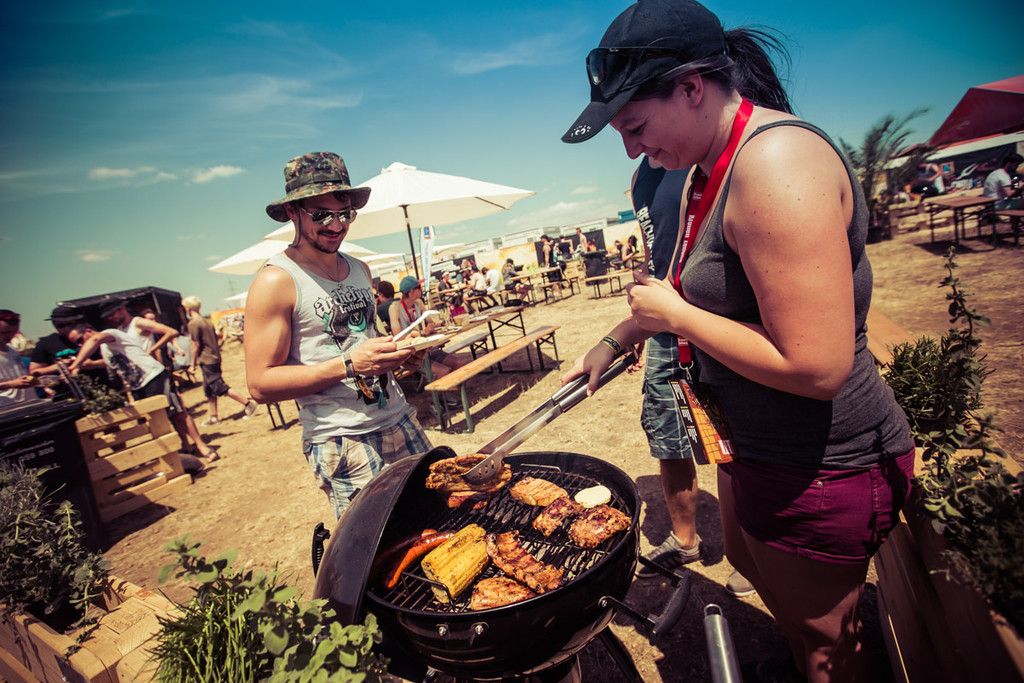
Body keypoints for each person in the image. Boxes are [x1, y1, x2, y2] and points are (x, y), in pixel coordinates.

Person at [561, 2, 914, 681]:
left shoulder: (778, 162)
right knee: (773, 589)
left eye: (634, 126)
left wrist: (677, 317)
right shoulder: (707, 165)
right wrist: (617, 337)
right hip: (753, 448)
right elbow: (692, 290)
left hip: (820, 465)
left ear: (692, 88)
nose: (630, 150)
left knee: (827, 646)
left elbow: (818, 366)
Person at [245, 151, 431, 518]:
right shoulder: (276, 280)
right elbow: (260, 384)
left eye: (345, 214)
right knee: (375, 543)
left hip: (399, 417)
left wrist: (401, 357)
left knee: (435, 514)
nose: (336, 225)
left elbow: (364, 346)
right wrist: (348, 365)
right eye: (321, 214)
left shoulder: (360, 269)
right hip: (344, 440)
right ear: (292, 211)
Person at [67, 318, 219, 461]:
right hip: (138, 386)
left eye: (80, 340)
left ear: (88, 330)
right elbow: (114, 362)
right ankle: (185, 447)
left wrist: (76, 364)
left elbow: (94, 340)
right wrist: (90, 364)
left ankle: (201, 446)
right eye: (76, 344)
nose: (80, 345)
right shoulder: (104, 348)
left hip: (153, 376)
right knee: (161, 419)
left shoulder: (110, 333)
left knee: (178, 413)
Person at [182, 296, 258, 425]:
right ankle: (214, 416)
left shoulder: (193, 324)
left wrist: (192, 364)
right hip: (214, 358)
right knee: (209, 389)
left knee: (219, 386)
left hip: (207, 360)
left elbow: (196, 345)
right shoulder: (207, 321)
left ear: (188, 308)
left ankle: (248, 404)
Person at [29, 306, 115, 399]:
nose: (62, 328)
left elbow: (117, 360)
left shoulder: (94, 336)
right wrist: (59, 366)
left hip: (105, 392)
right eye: (57, 325)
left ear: (77, 321)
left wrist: (94, 364)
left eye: (66, 324)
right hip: (68, 397)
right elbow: (34, 372)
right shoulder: (45, 343)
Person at [390, 276, 465, 379]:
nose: (421, 289)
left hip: (428, 349)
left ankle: (459, 389)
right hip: (412, 356)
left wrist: (436, 325)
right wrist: (422, 333)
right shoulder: (395, 308)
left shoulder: (418, 303)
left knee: (459, 363)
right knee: (444, 372)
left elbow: (430, 323)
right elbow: (398, 338)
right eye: (419, 287)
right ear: (411, 292)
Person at [0, 310, 37, 406]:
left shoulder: (12, 349)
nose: (10, 336)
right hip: (8, 409)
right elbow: (14, 382)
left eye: (14, 332)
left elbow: (19, 377)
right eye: (4, 332)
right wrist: (11, 384)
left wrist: (33, 380)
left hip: (30, 404)